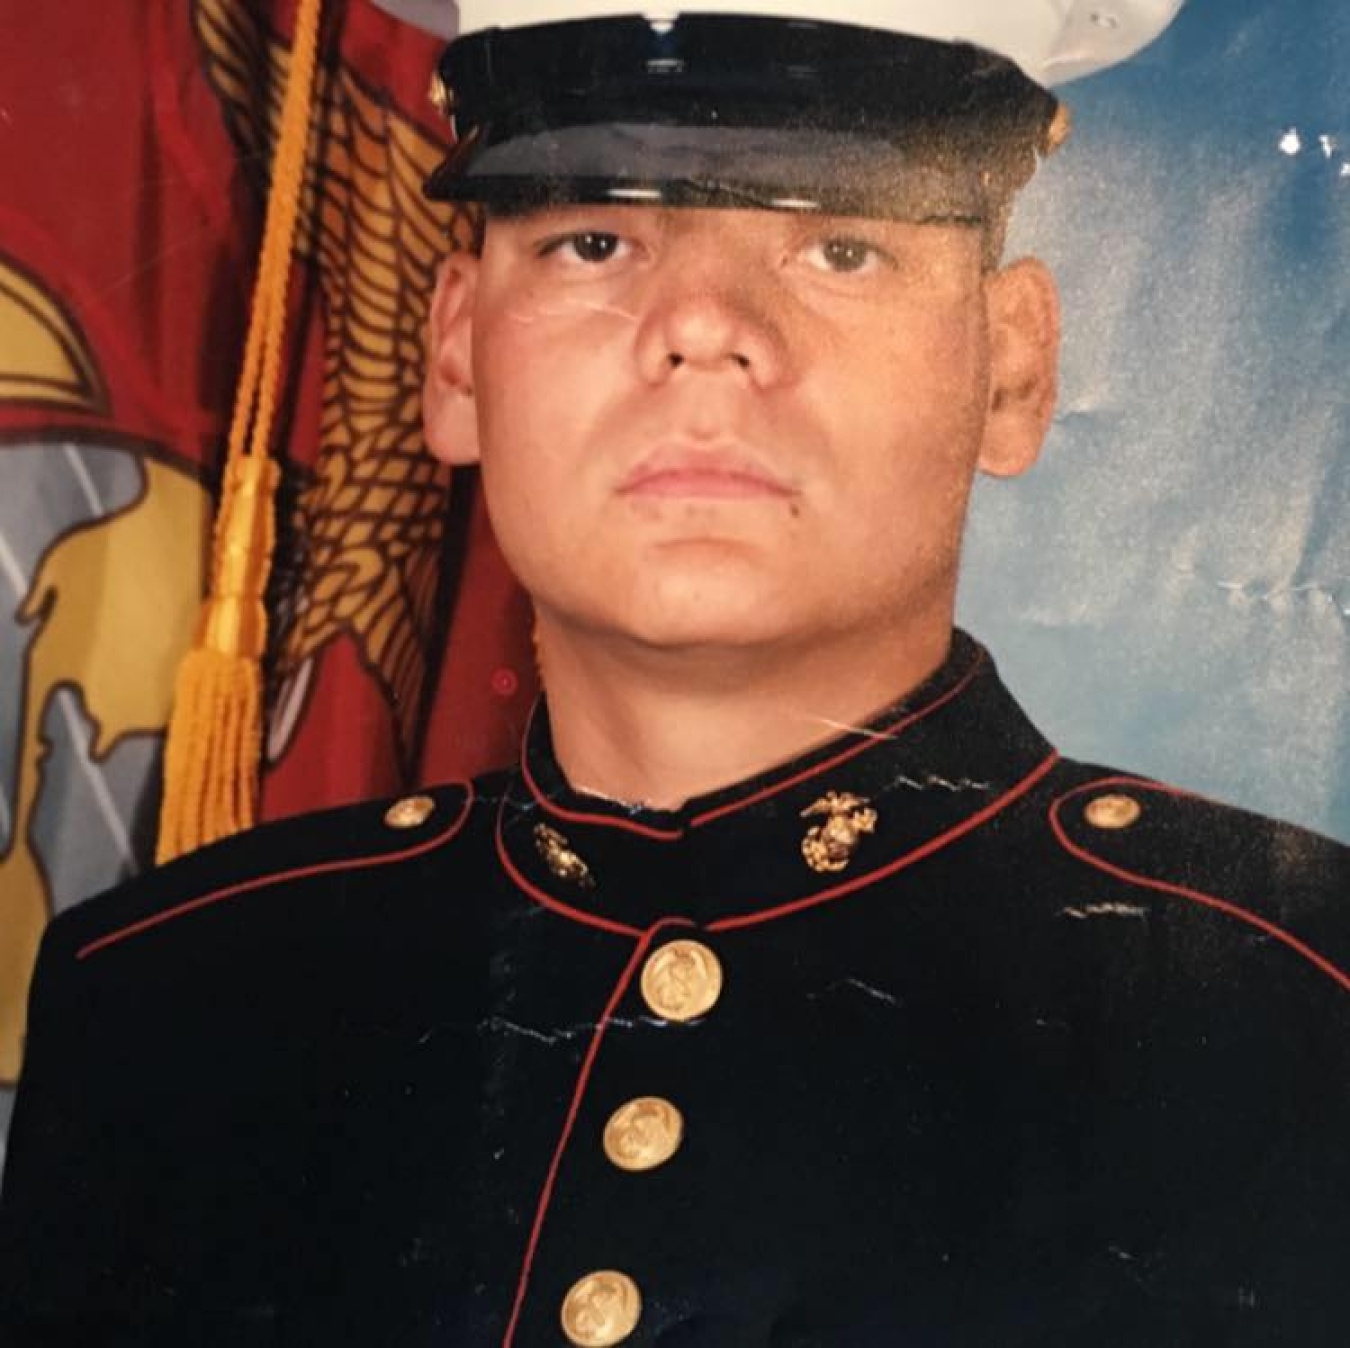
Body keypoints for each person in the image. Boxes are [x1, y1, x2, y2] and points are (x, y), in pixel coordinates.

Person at [3, 2, 1349, 1344]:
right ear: (457, 350)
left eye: (839, 246)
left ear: (1011, 369)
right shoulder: (169, 1003)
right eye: (594, 240)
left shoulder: (1296, 1023)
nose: (703, 327)